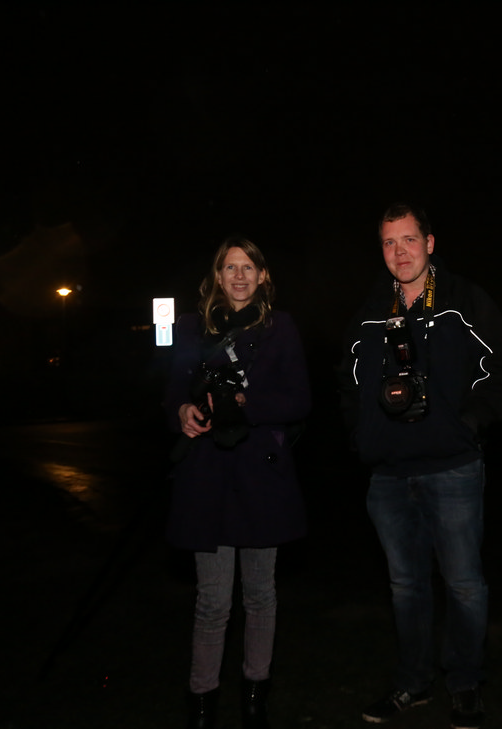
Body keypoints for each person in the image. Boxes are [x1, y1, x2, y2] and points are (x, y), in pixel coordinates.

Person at [340, 203, 502, 729]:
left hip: (452, 466)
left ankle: (465, 683)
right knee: (405, 587)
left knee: (464, 584)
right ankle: (413, 682)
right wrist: (361, 434)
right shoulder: (372, 309)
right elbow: (347, 378)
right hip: (388, 474)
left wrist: (470, 422)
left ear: (430, 243)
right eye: (389, 243)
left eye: (409, 240)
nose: (400, 252)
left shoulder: (463, 299)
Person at [166, 237, 310, 729]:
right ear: (218, 276)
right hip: (207, 477)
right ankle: (202, 702)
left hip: (260, 477)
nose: (240, 276)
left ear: (263, 276)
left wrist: (246, 404)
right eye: (231, 267)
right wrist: (182, 411)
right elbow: (173, 390)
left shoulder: (280, 327)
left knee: (260, 594)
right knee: (212, 601)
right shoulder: (191, 327)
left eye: (249, 267)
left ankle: (254, 698)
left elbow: (299, 400)